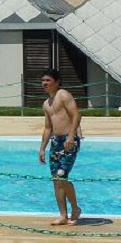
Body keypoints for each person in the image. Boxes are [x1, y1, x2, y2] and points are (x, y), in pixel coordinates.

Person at [38, 68, 83, 226]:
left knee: (61, 176)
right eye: (43, 80)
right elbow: (48, 128)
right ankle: (63, 215)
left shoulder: (63, 95)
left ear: (57, 82)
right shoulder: (46, 104)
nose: (45, 83)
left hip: (69, 141)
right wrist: (42, 148)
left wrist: (71, 136)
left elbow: (76, 115)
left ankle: (75, 208)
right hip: (56, 142)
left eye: (48, 80)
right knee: (56, 180)